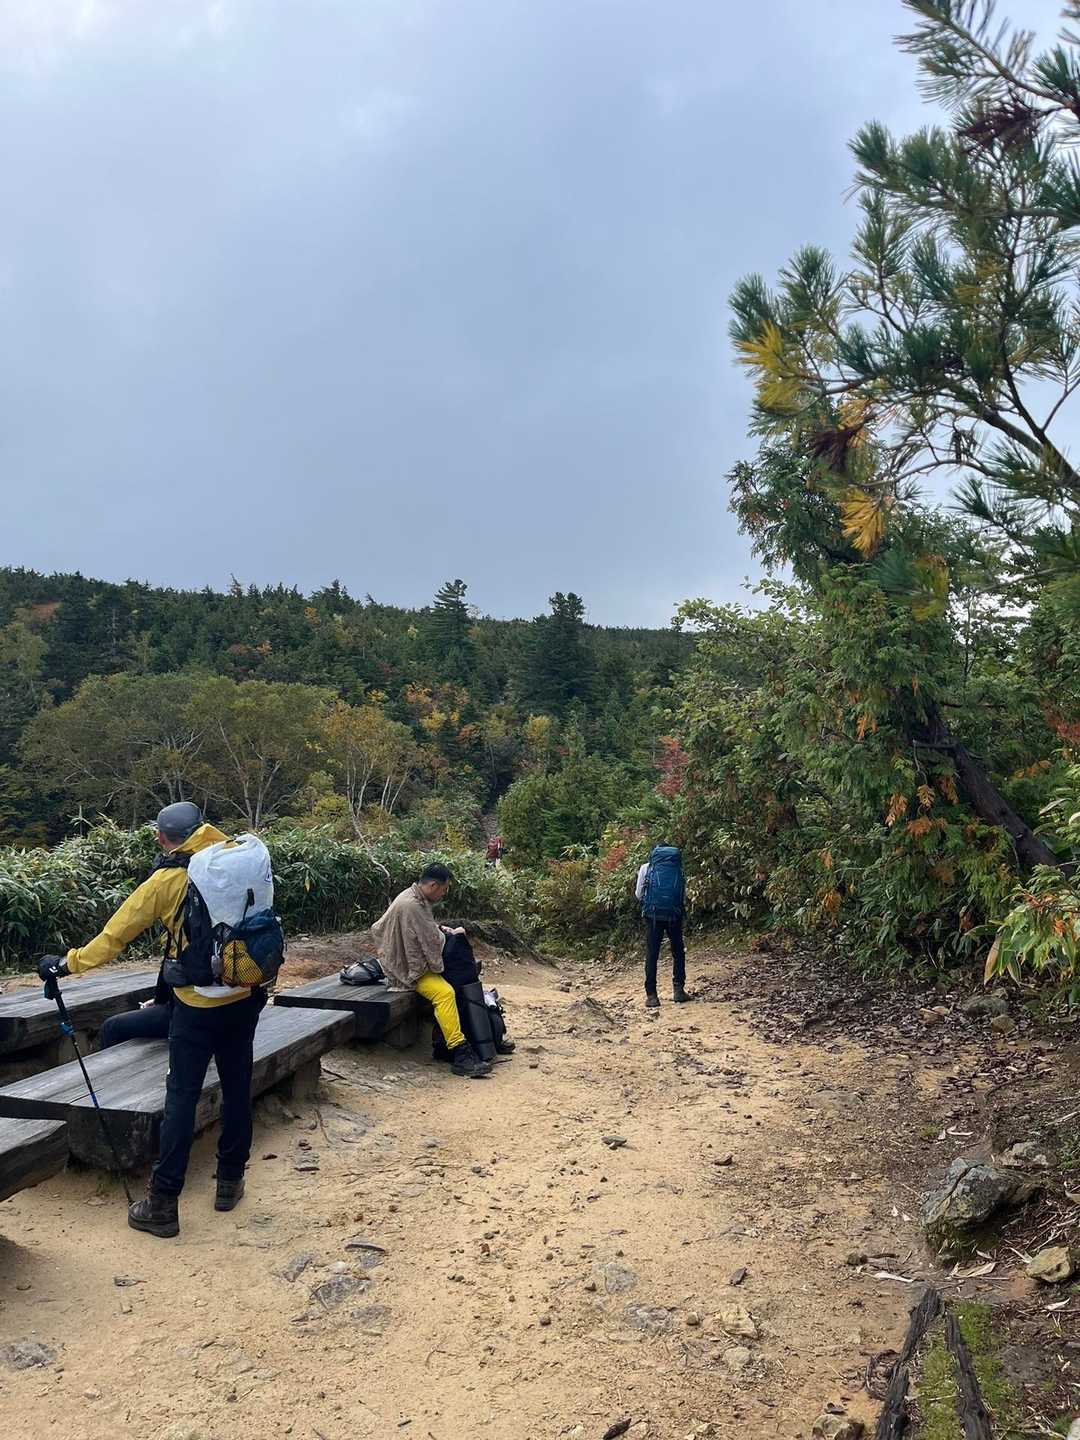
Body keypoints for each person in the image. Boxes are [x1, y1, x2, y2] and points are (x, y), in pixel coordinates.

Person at [37, 802, 268, 1239]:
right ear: (202, 828)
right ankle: (230, 1181)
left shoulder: (166, 881)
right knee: (238, 1087)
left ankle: (162, 1203)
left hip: (195, 1005)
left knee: (181, 1097)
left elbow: (113, 939)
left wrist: (65, 964)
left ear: (162, 838)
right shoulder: (240, 858)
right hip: (244, 994)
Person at [370, 864, 492, 1078]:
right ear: (434, 885)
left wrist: (441, 931)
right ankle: (460, 1052)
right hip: (407, 970)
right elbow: (430, 942)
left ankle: (461, 1041)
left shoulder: (414, 897)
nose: (444, 893)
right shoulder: (412, 905)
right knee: (445, 993)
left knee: (458, 979)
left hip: (408, 962)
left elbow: (425, 932)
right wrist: (454, 934)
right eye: (444, 889)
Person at [635, 844, 688, 1009]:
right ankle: (678, 990)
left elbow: (638, 894)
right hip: (674, 914)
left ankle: (652, 996)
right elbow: (682, 892)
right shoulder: (677, 867)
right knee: (678, 952)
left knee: (652, 954)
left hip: (653, 915)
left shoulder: (646, 868)